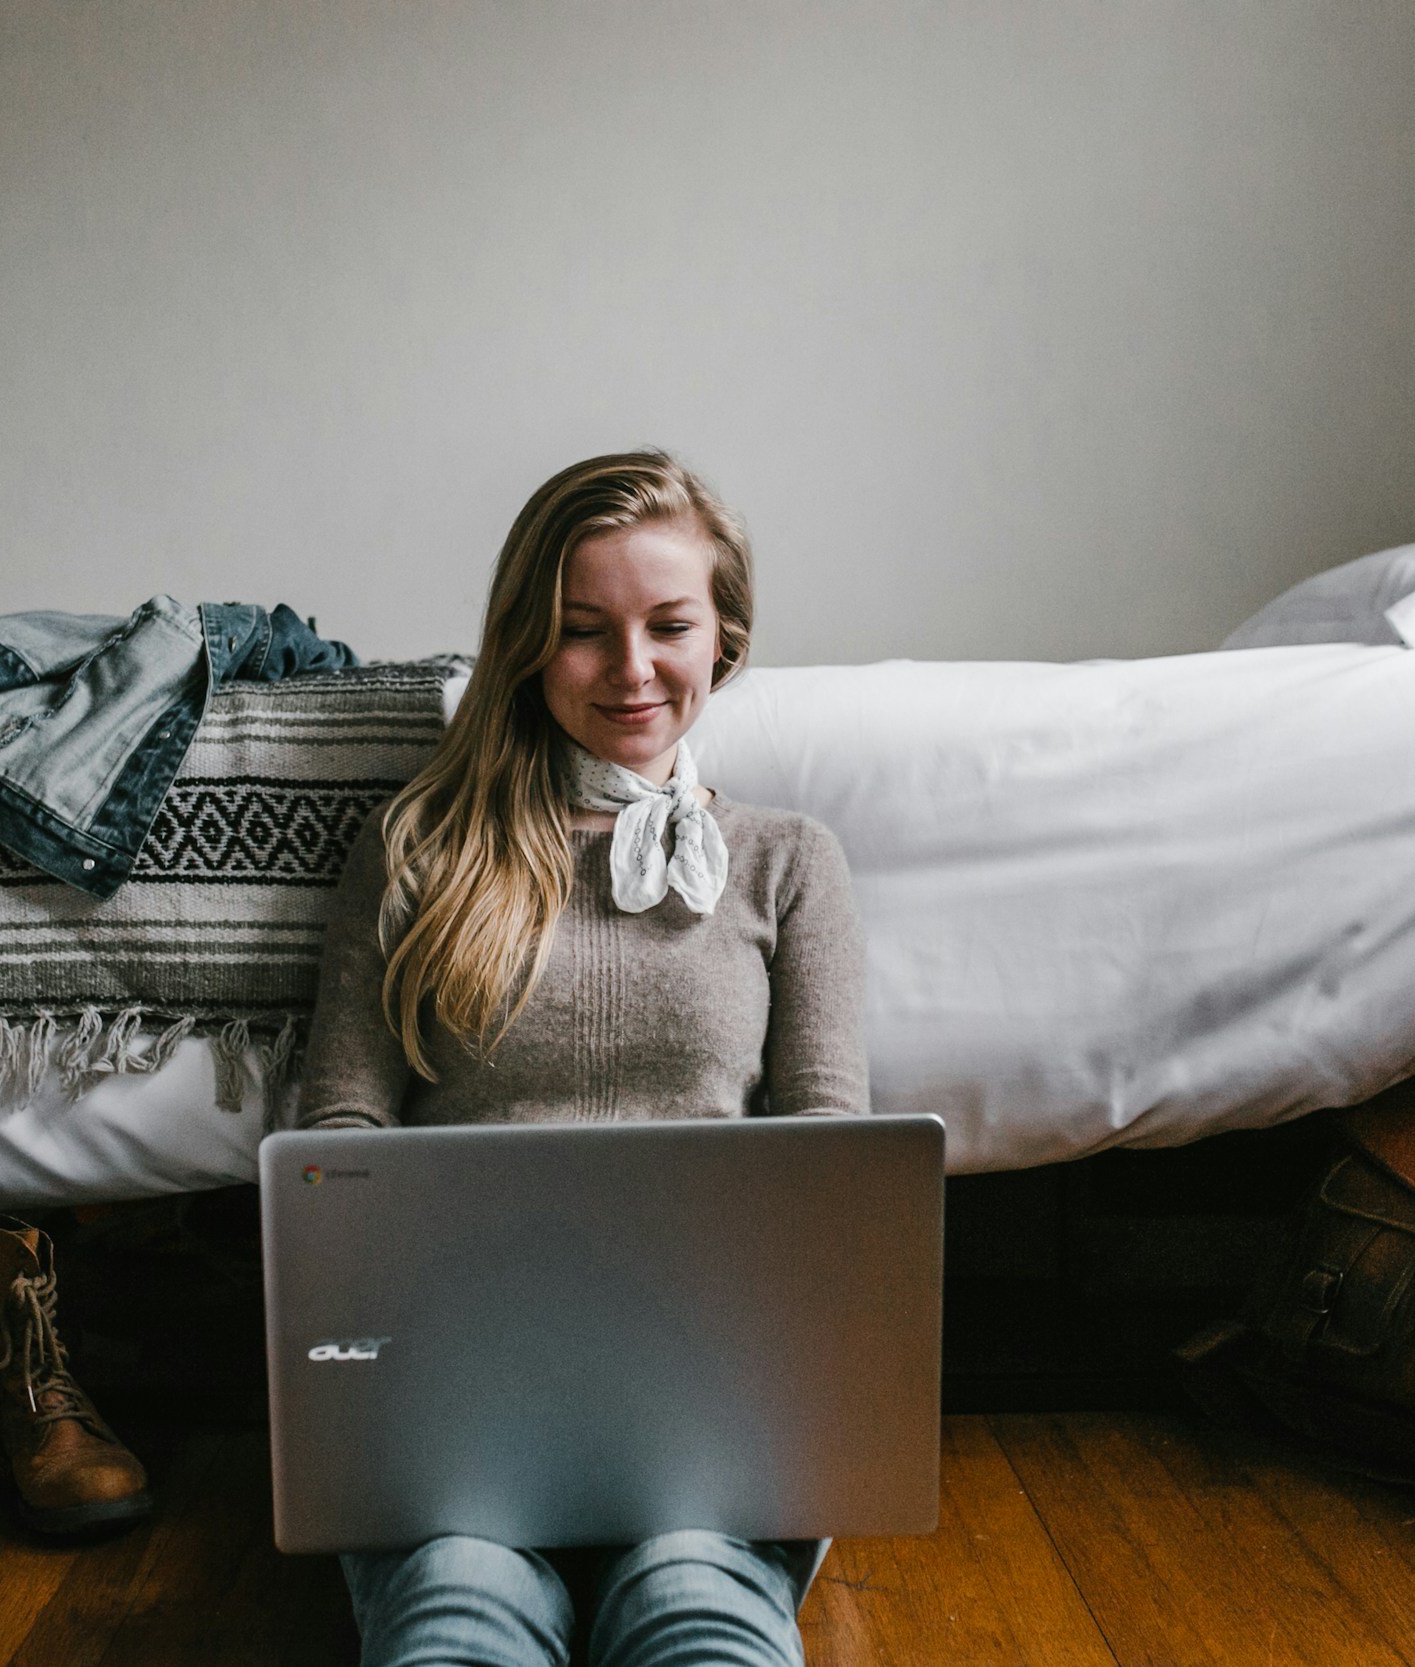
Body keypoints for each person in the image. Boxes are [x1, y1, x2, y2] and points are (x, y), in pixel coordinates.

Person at [297, 449, 870, 1667]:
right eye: (581, 631)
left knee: (693, 1612)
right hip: (452, 1417)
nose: (631, 669)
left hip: (714, 1415)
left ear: (726, 635)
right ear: (524, 644)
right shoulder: (416, 850)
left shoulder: (787, 861)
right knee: (460, 1608)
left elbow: (836, 1174)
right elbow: (336, 1146)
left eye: (668, 624)